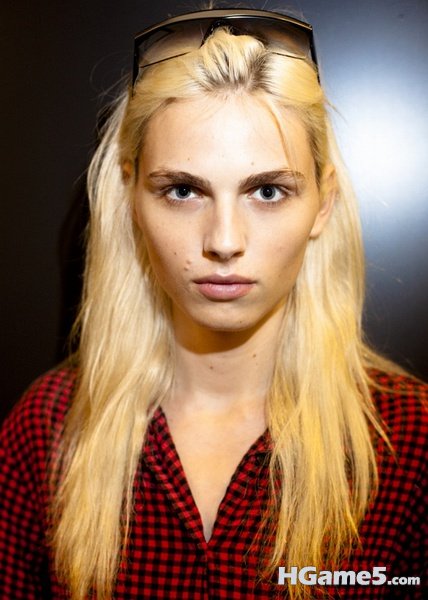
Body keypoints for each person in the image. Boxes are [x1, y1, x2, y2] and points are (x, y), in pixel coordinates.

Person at [0, 7, 426, 600]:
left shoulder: (411, 444)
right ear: (131, 198)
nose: (224, 241)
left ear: (323, 203)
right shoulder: (46, 431)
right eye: (183, 190)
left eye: (268, 191)